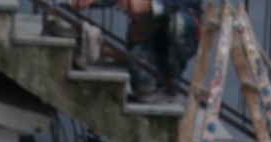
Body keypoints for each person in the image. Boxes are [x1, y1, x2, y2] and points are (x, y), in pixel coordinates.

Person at [70, 0, 203, 104]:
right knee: (144, 85)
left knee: (179, 24)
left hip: (178, 31)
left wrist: (152, 4)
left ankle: (172, 82)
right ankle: (152, 81)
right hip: (148, 36)